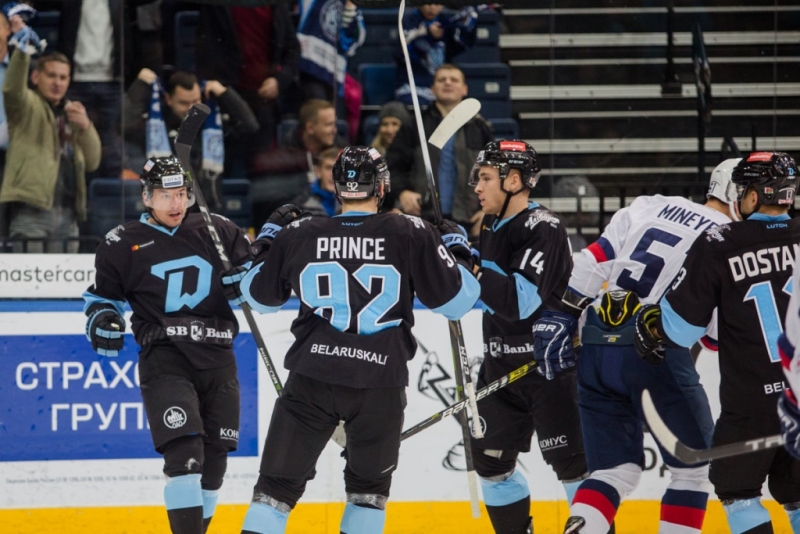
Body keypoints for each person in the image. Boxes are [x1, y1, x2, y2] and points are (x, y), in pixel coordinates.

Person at [237, 146, 480, 534]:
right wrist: (459, 251)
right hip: (380, 386)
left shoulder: (301, 232)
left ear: (336, 186)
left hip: (312, 378)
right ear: (382, 186)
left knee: (274, 493)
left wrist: (266, 241)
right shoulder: (411, 231)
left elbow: (258, 297)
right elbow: (457, 303)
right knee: (367, 494)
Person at [559, 158, 740, 534]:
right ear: (739, 194)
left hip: (596, 341)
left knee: (613, 471)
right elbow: (713, 336)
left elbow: (591, 262)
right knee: (693, 471)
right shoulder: (728, 238)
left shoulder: (649, 205)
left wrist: (561, 317)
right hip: (654, 350)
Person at [82, 156, 252, 534]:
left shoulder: (219, 229)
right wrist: (103, 318)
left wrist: (256, 268)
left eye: (181, 194)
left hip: (220, 358)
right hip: (167, 358)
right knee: (185, 456)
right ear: (146, 197)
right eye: (164, 195)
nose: (176, 204)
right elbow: (101, 298)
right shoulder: (121, 242)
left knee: (215, 463)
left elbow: (257, 286)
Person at [635, 152, 800, 534]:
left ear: (755, 196)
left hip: (752, 403)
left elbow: (680, 330)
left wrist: (653, 325)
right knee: (796, 495)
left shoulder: (720, 241)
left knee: (738, 492)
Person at [466, 140, 587, 534]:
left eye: (485, 178)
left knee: (573, 467)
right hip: (501, 369)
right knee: (491, 465)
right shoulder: (490, 224)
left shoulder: (544, 227)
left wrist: (468, 269)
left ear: (513, 180)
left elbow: (519, 300)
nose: (477, 188)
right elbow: (485, 296)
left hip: (548, 371)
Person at [0, 19, 100, 253]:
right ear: (36, 77)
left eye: (63, 78)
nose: (57, 82)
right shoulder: (26, 106)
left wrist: (86, 126)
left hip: (68, 216)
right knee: (30, 288)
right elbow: (11, 89)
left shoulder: (73, 113)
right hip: (31, 212)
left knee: (65, 290)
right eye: (51, 75)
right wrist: (23, 52)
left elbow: (93, 161)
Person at [124, 68, 258, 213]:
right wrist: (140, 86)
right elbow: (124, 126)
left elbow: (250, 127)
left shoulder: (213, 126)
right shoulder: (154, 128)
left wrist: (224, 92)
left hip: (208, 216)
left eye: (195, 101)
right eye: (183, 103)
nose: (191, 109)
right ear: (168, 99)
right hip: (165, 216)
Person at [386, 63, 492, 236]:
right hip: (422, 218)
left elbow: (493, 174)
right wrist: (402, 192)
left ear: (464, 89)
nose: (448, 83)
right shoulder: (414, 125)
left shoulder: (480, 128)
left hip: (468, 219)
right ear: (432, 89)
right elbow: (392, 167)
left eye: (454, 80)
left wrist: (488, 211)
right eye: (442, 80)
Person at [196, 1, 300, 164]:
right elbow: (206, 50)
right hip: (227, 98)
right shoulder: (217, 6)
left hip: (263, 99)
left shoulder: (276, 6)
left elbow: (293, 50)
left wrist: (278, 81)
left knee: (261, 167)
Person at [394, 4, 477, 106]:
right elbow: (401, 53)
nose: (432, 8)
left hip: (440, 87)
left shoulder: (445, 20)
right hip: (413, 86)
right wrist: (427, 34)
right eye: (428, 3)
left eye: (437, 3)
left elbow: (461, 46)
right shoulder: (408, 20)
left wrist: (467, 26)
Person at [295, 0, 365, 103]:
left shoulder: (349, 3)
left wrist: (350, 12)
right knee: (318, 111)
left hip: (334, 70)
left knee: (330, 114)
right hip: (308, 66)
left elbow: (354, 38)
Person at [291, 146, 340, 217]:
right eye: (328, 168)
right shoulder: (301, 204)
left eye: (338, 169)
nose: (333, 174)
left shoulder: (354, 201)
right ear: (318, 172)